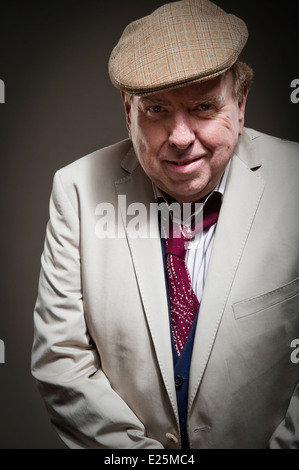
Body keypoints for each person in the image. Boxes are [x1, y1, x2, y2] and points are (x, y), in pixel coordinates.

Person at [31, 0, 299, 449]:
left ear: (241, 101)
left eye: (203, 107)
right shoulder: (75, 191)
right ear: (127, 109)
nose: (179, 137)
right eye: (155, 110)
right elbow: (61, 364)